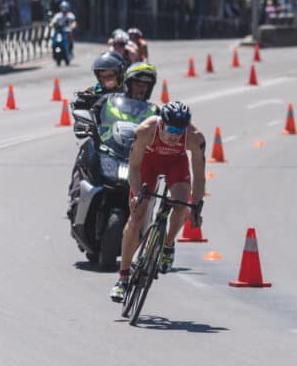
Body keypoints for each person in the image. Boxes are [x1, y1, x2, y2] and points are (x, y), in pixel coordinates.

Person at [110, 100, 206, 302]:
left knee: (181, 206)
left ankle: (168, 245)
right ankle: (123, 278)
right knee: (136, 216)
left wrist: (197, 205)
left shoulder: (195, 138)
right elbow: (133, 167)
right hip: (147, 165)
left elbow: (199, 175)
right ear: (161, 123)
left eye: (179, 131)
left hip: (176, 165)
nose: (174, 135)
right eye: (170, 129)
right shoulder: (146, 130)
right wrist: (136, 195)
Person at [67, 62, 159, 223]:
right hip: (107, 150)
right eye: (138, 84)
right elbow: (91, 116)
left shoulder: (154, 111)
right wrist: (84, 125)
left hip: (136, 159)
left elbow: (163, 134)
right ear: (129, 84)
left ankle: (150, 224)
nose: (141, 88)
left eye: (146, 85)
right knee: (86, 150)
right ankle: (75, 198)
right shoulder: (109, 100)